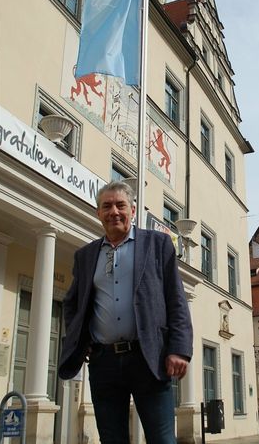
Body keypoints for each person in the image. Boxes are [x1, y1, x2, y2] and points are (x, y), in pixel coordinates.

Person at [58, 180, 193, 444]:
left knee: (163, 439)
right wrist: (80, 339)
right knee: (112, 439)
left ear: (132, 210)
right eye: (106, 206)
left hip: (149, 358)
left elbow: (175, 299)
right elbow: (72, 302)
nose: (114, 212)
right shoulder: (85, 256)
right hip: (103, 362)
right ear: (98, 213)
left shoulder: (158, 245)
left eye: (120, 205)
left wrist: (179, 348)